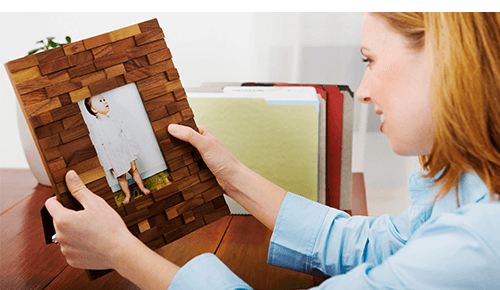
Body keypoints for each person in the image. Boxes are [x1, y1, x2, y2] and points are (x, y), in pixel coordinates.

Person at [45, 12, 500, 289]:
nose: (363, 90)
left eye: (371, 59)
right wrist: (231, 177)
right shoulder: (472, 186)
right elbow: (376, 246)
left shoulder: (479, 243)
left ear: (448, 56)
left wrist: (120, 250)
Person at [84, 95, 150, 204]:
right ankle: (127, 195)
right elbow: (99, 146)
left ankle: (142, 188)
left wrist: (132, 148)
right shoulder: (95, 128)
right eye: (100, 101)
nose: (105, 101)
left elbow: (125, 133)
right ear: (94, 109)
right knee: (121, 177)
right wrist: (106, 162)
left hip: (125, 149)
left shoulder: (115, 119)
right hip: (113, 155)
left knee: (134, 169)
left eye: (104, 99)